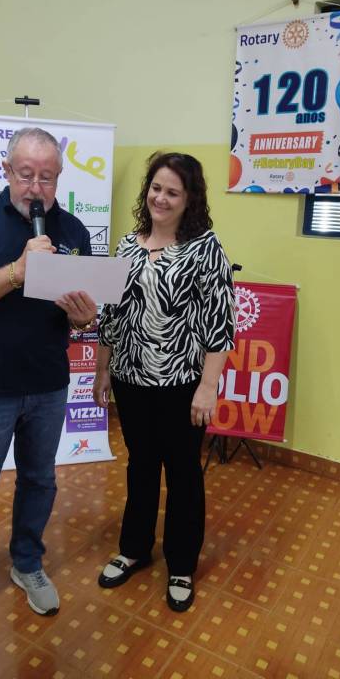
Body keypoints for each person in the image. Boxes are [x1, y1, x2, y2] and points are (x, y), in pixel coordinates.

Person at [0, 127, 97, 616]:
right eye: (26, 174)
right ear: (6, 170)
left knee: (39, 481)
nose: (36, 188)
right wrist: (17, 271)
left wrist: (83, 317)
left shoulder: (73, 231)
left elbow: (84, 314)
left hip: (48, 384)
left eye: (46, 177)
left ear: (59, 178)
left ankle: (27, 562)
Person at [93, 152, 235, 612]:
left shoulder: (205, 248)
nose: (161, 198)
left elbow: (220, 325)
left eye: (173, 192)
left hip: (181, 384)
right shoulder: (126, 246)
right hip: (130, 379)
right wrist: (102, 371)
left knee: (183, 473)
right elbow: (111, 316)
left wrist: (208, 387)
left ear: (190, 199)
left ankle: (181, 565)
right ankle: (134, 548)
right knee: (140, 465)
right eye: (156, 188)